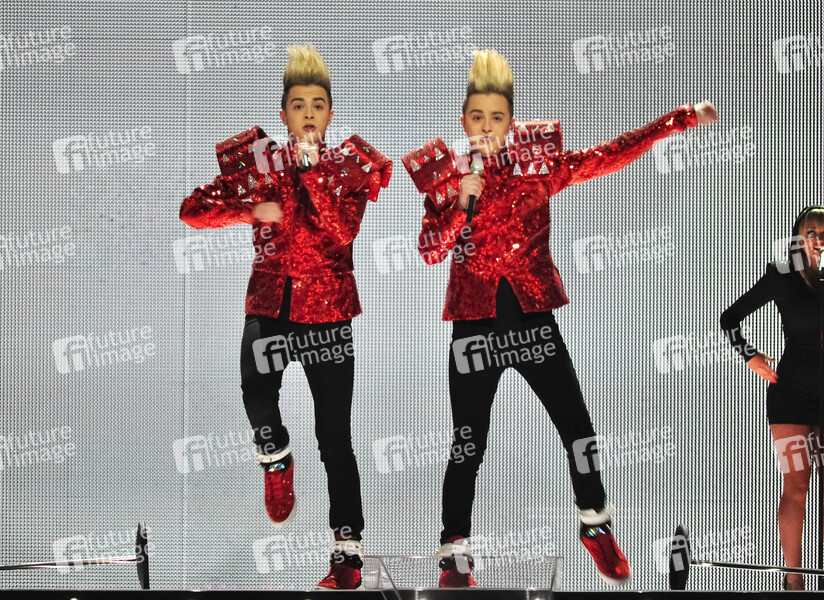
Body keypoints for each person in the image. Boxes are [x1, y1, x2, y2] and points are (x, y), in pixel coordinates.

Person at [402, 49, 718, 587]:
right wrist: (459, 207)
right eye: (477, 117)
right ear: (464, 121)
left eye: (496, 117)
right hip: (474, 328)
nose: (486, 127)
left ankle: (595, 524)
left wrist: (677, 120)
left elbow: (608, 155)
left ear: (511, 122)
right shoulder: (448, 179)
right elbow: (430, 251)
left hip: (532, 321)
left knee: (578, 429)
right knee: (467, 443)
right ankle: (454, 555)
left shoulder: (537, 168)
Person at [178, 45, 392, 589]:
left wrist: (314, 173)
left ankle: (347, 553)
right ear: (283, 114)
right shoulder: (257, 162)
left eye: (318, 105)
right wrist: (250, 209)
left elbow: (343, 230)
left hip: (328, 314)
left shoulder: (348, 167)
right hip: (270, 304)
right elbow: (192, 210)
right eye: (299, 105)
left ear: (330, 114)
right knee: (256, 394)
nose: (309, 114)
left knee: (334, 437)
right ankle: (275, 460)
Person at [720, 205, 824, 590]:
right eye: (812, 233)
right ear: (799, 239)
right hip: (789, 395)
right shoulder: (782, 276)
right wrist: (750, 355)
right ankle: (793, 581)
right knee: (797, 486)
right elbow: (729, 318)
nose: (820, 240)